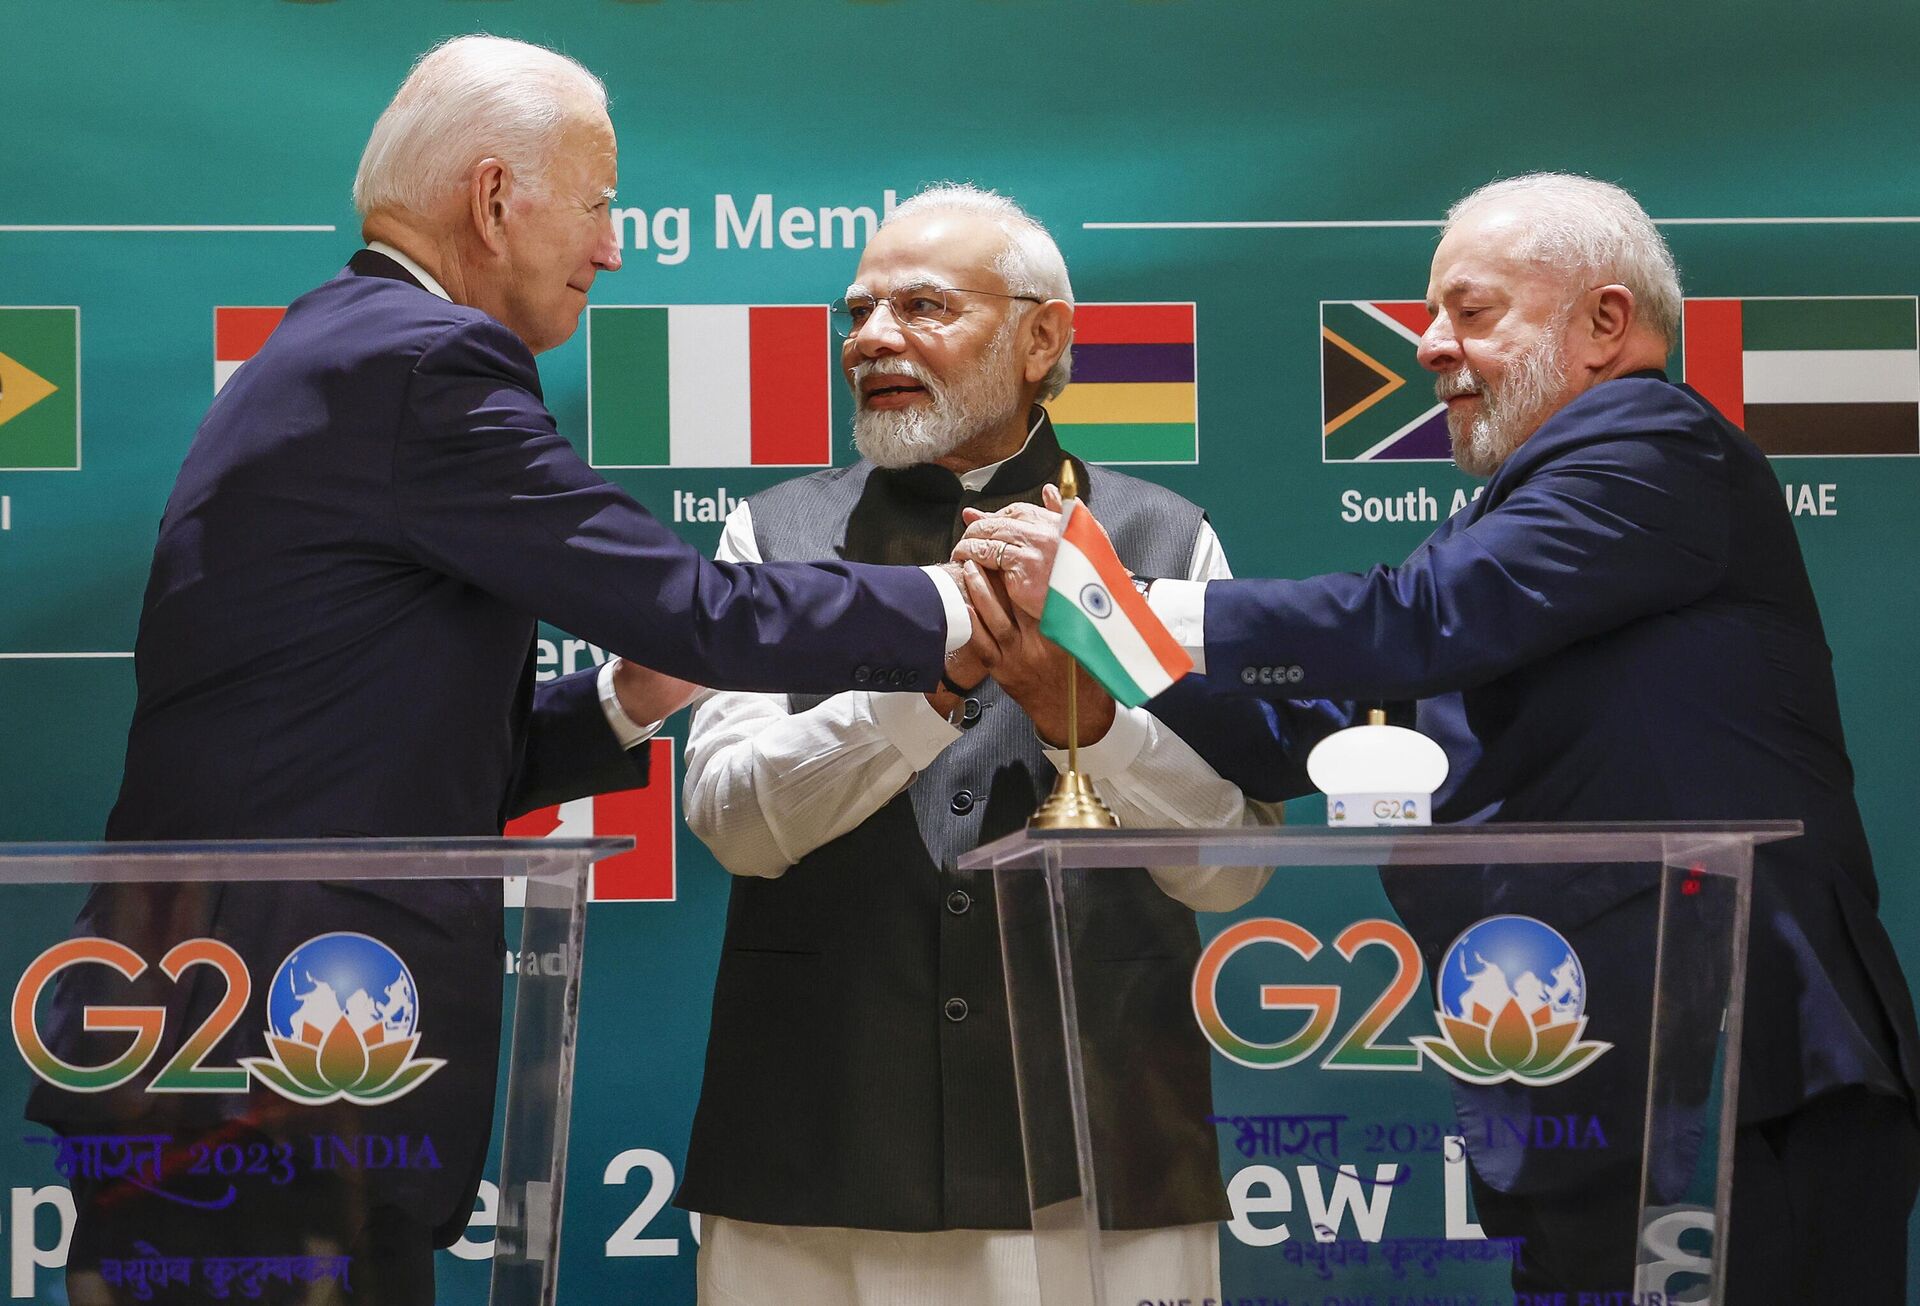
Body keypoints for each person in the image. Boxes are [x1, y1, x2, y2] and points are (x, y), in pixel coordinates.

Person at [29, 36, 978, 1304]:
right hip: (275, 1069)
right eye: (598, 205)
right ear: (492, 200)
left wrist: (623, 699)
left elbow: (367, 748)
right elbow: (693, 603)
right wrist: (961, 606)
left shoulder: (332, 352)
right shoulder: (424, 363)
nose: (615, 247)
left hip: (235, 1053)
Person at [957, 173, 1920, 1301]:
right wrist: (1097, 674)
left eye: (1470, 311)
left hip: (1737, 1085)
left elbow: (1416, 621)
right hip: (1576, 1096)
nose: (1426, 345)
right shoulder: (1503, 526)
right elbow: (1287, 742)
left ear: (1606, 324)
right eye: (1431, 314)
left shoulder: (1652, 443)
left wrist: (1120, 597)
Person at [674, 184, 1289, 1306]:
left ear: (1041, 338)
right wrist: (934, 686)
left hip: (1105, 1165)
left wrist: (1098, 726)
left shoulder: (1165, 539)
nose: (870, 338)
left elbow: (1232, 863)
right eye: (856, 313)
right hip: (816, 1157)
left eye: (920, 306)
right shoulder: (768, 537)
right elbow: (732, 823)